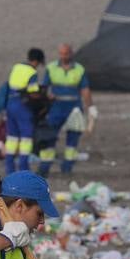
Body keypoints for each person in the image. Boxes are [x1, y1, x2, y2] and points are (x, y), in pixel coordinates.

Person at [39, 43, 96, 179]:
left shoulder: (79, 69)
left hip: (74, 107)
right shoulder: (51, 68)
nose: (64, 56)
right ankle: (44, 168)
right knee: (49, 137)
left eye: (67, 53)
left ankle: (67, 167)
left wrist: (90, 107)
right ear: (59, 54)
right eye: (62, 53)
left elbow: (85, 89)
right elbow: (44, 88)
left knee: (73, 139)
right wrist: (46, 99)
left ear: (71, 54)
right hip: (56, 107)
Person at [0, 48, 47, 174]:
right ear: (37, 61)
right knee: (26, 138)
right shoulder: (32, 72)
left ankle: (9, 167)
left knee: (12, 137)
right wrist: (44, 96)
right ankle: (24, 168)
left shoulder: (17, 67)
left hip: (10, 104)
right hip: (22, 106)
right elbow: (33, 92)